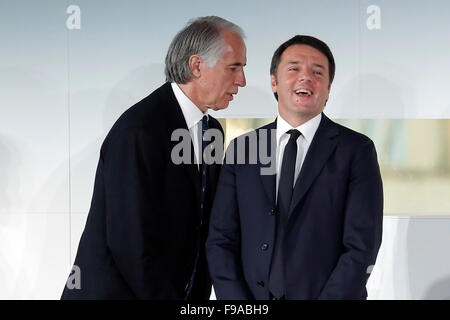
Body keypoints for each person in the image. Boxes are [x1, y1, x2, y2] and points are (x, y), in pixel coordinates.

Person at [61, 16, 246, 300]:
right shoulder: (140, 130)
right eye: (234, 68)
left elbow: (204, 228)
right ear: (197, 66)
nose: (242, 81)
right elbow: (130, 244)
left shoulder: (212, 131)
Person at [206, 35, 383, 300]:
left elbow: (361, 247)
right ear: (274, 82)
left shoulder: (356, 150)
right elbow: (221, 240)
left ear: (328, 88)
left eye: (317, 72)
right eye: (294, 68)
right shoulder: (243, 149)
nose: (306, 77)